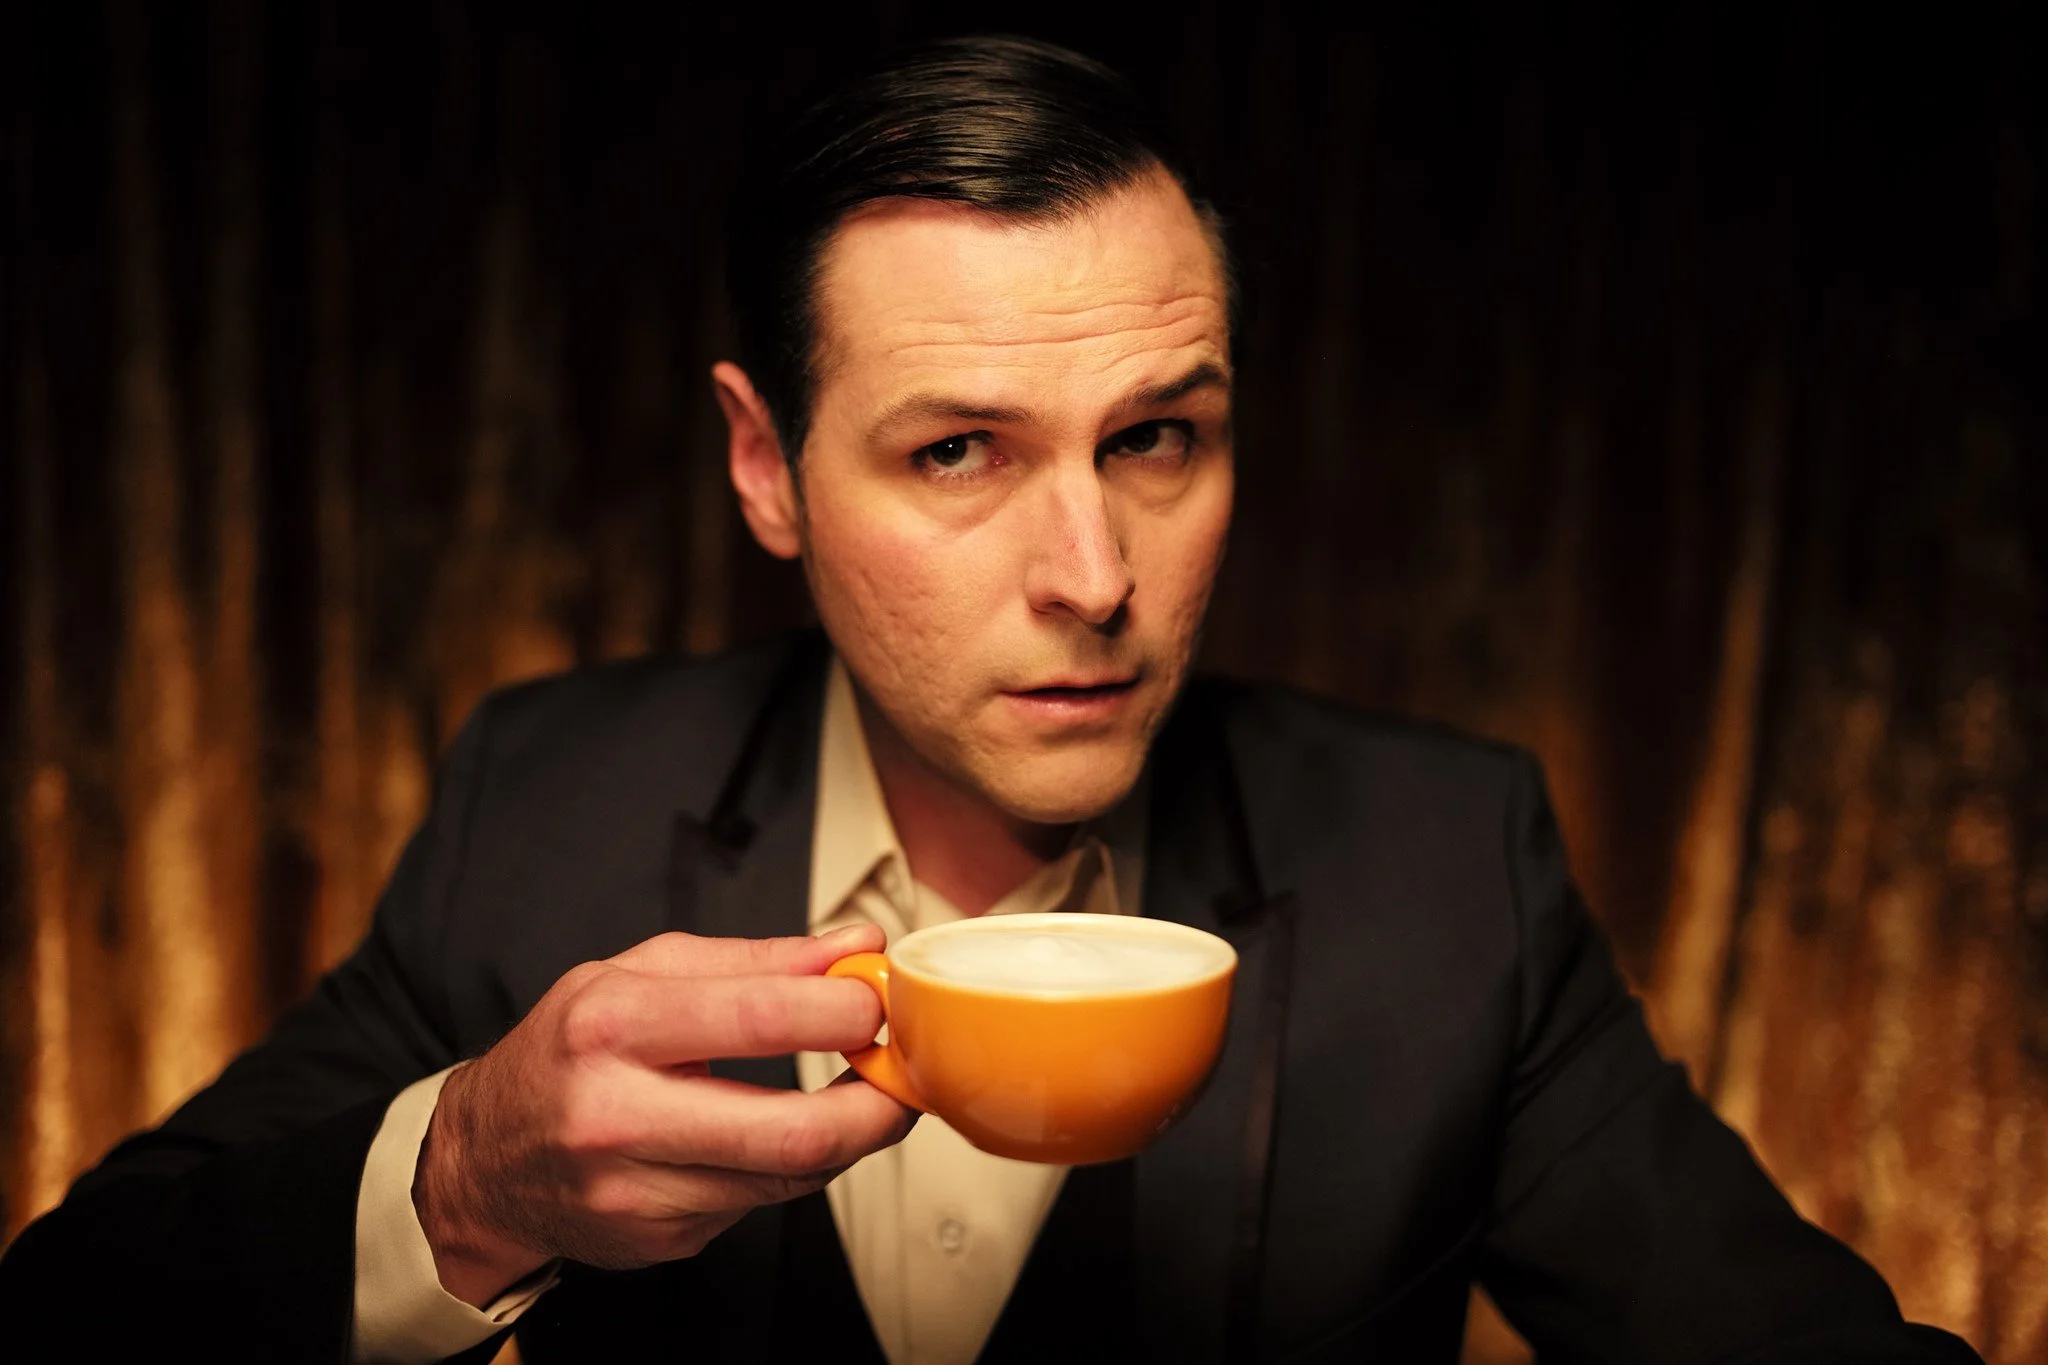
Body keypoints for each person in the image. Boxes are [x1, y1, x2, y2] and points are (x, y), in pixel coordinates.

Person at [0, 34, 1983, 1365]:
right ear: (765, 468)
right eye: (955, 452)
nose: (1098, 576)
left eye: (1159, 438)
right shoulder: (550, 808)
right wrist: (462, 1181)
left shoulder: (1442, 874)